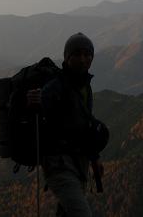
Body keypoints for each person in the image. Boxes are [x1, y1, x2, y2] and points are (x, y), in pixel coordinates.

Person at [28, 32, 106, 217]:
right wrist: (31, 103)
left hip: (79, 164)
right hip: (59, 165)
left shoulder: (84, 86)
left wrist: (95, 158)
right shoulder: (56, 86)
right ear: (67, 57)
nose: (83, 59)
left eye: (87, 54)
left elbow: (87, 126)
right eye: (77, 54)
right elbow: (37, 111)